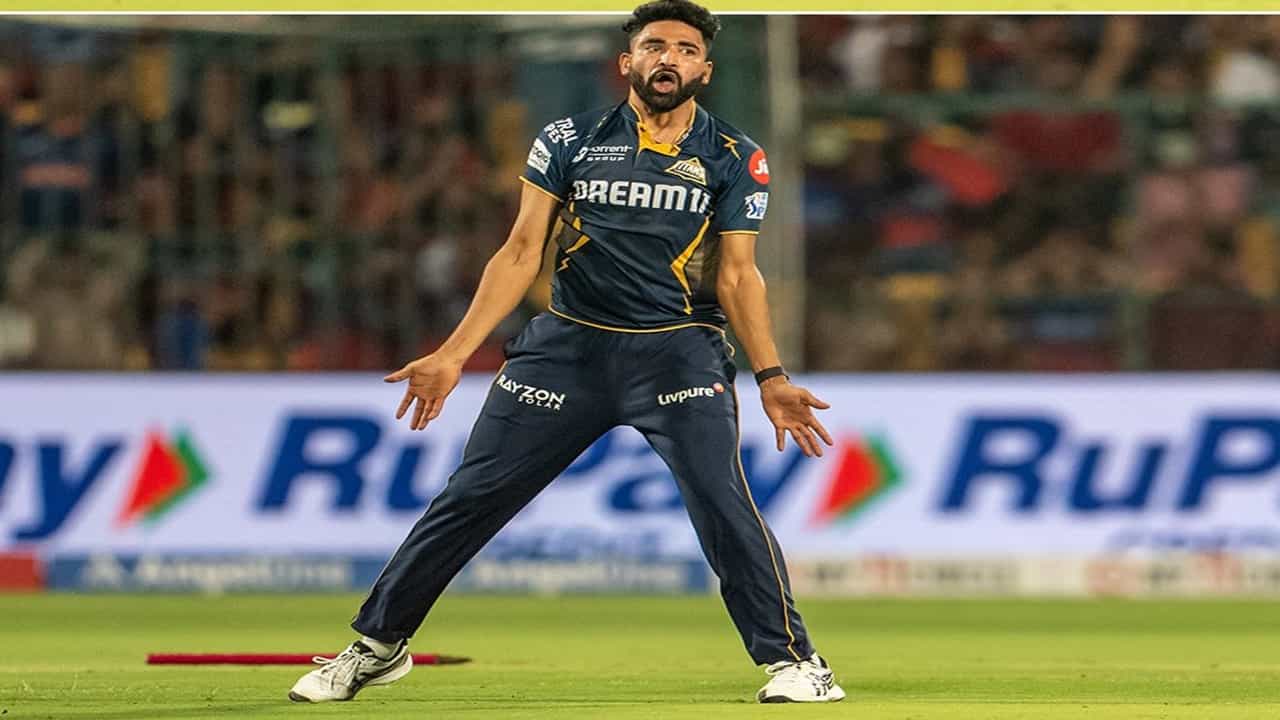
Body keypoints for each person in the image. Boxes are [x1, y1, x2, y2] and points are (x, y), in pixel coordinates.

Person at [289, 0, 844, 704]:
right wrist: (453, 353)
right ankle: (376, 647)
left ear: (705, 70)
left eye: (684, 50)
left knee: (720, 500)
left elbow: (738, 275)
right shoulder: (569, 138)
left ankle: (797, 663)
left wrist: (771, 376)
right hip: (566, 349)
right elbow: (522, 250)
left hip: (676, 353)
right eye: (654, 46)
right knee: (470, 498)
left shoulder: (735, 156)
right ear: (627, 62)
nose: (668, 58)